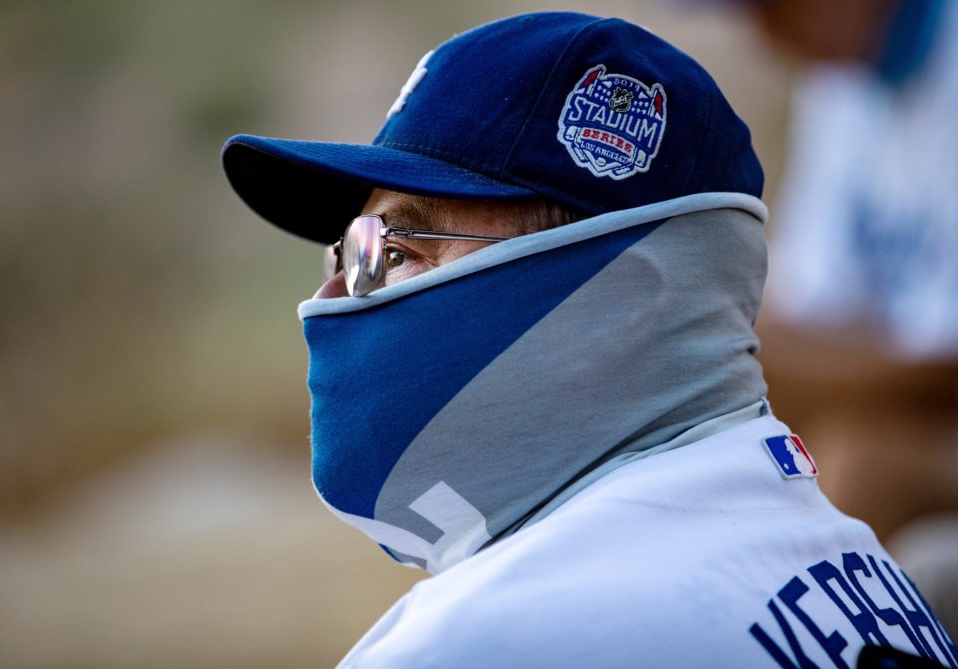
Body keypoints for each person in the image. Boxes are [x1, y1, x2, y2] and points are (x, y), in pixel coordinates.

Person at [221, 11, 957, 667]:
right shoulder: (870, 573)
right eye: (346, 250)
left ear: (616, 294)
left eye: (397, 249)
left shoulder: (479, 640)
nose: (333, 298)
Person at [726, 0, 958, 633]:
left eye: (775, 8)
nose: (763, 34)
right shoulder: (840, 81)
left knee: (858, 466)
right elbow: (810, 301)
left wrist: (741, 354)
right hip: (898, 398)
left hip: (934, 418)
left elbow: (944, 370)